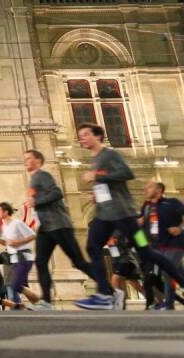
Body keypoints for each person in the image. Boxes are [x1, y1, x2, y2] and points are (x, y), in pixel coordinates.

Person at [73, 124, 184, 310]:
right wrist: (97, 195)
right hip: (105, 214)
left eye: (85, 135)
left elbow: (126, 173)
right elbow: (105, 184)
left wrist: (98, 175)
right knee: (92, 246)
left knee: (146, 252)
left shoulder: (109, 155)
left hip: (123, 214)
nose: (81, 138)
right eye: (80, 136)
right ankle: (104, 294)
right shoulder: (96, 159)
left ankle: (179, 283)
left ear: (98, 136)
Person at [23, 149, 97, 310]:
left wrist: (37, 202)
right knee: (41, 262)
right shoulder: (34, 179)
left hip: (58, 225)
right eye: (25, 158)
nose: (25, 161)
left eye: (29, 158)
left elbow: (57, 192)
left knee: (78, 262)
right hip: (46, 227)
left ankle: (108, 289)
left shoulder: (42, 176)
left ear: (38, 160)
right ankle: (46, 301)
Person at [140, 181, 184, 310]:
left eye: (149, 187)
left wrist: (181, 228)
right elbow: (141, 228)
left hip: (174, 245)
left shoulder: (172, 202)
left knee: (167, 272)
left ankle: (168, 304)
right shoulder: (146, 207)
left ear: (159, 190)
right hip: (156, 247)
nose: (145, 189)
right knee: (179, 273)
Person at [0, 202, 36, 310]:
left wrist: (18, 242)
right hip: (14, 259)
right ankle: (37, 306)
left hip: (24, 257)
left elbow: (33, 235)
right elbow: (6, 243)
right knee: (22, 286)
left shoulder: (17, 223)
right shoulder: (5, 226)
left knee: (16, 285)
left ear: (6, 212)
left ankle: (41, 303)